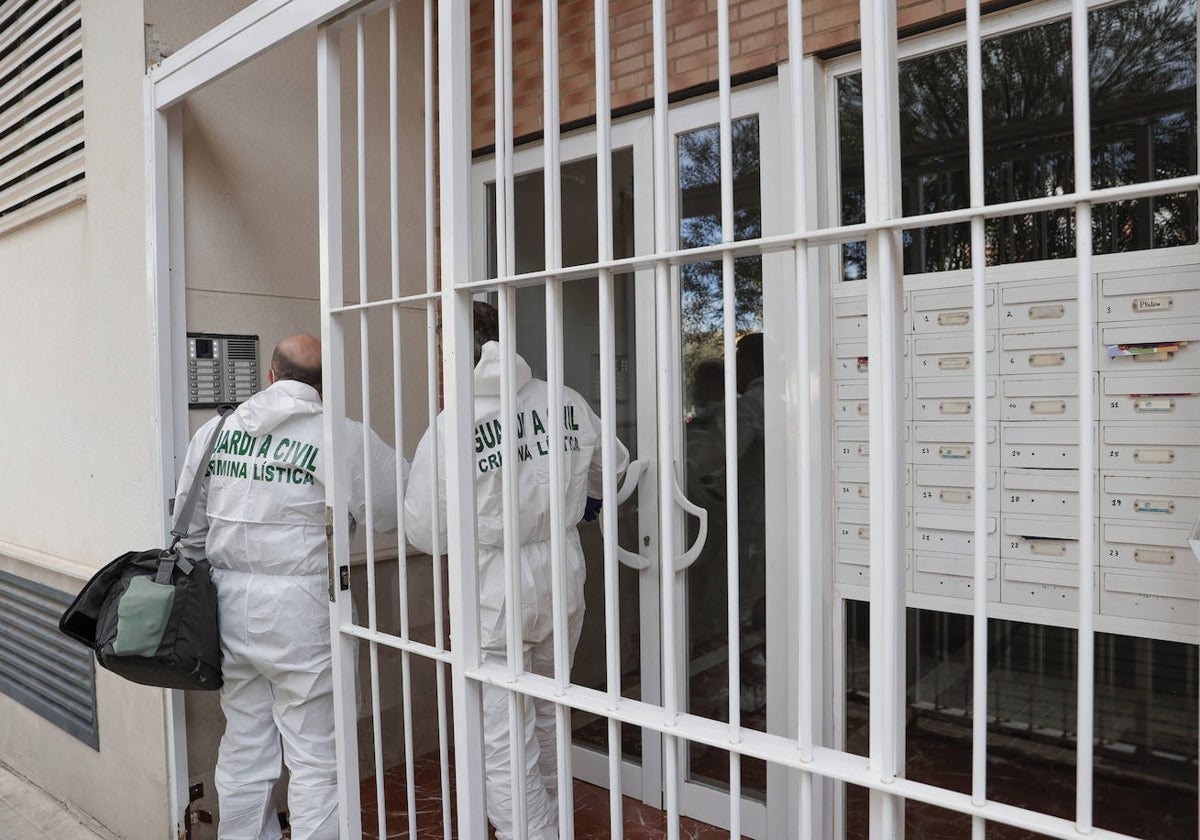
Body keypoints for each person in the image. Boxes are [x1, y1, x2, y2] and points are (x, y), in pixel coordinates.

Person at [404, 302, 629, 840]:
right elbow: (614, 468)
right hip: (561, 569)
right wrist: (576, 501)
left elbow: (425, 533)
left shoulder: (455, 424)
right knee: (552, 709)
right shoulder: (564, 400)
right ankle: (555, 822)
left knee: (504, 733)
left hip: (492, 584)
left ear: (455, 347)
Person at [175, 334, 400, 840]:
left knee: (244, 747)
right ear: (326, 386)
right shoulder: (340, 437)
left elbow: (187, 529)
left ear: (271, 376)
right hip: (305, 610)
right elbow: (401, 511)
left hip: (229, 609)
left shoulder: (216, 431)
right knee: (318, 756)